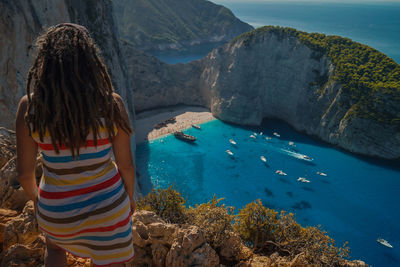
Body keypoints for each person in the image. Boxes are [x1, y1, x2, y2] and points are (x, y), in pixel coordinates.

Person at [15, 23, 135, 267]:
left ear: (45, 64)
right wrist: (129, 198)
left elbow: (25, 174)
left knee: (54, 248)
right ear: (91, 63)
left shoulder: (30, 108)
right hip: (109, 211)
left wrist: (38, 199)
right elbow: (127, 166)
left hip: (56, 212)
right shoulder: (111, 105)